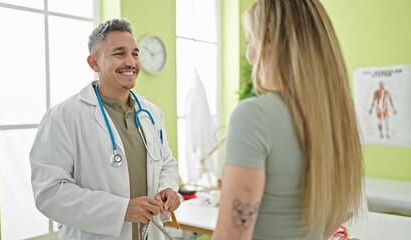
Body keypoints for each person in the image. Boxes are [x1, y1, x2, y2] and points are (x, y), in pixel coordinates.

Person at [212, 0, 363, 239]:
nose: (250, 57)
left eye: (249, 41)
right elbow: (332, 221)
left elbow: (233, 236)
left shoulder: (253, 116)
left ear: (268, 40)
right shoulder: (337, 119)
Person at [30, 18, 180, 240]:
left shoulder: (151, 114)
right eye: (119, 54)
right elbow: (49, 193)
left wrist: (168, 188)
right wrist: (120, 210)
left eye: (135, 54)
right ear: (94, 63)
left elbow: (166, 162)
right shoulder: (64, 117)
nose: (131, 62)